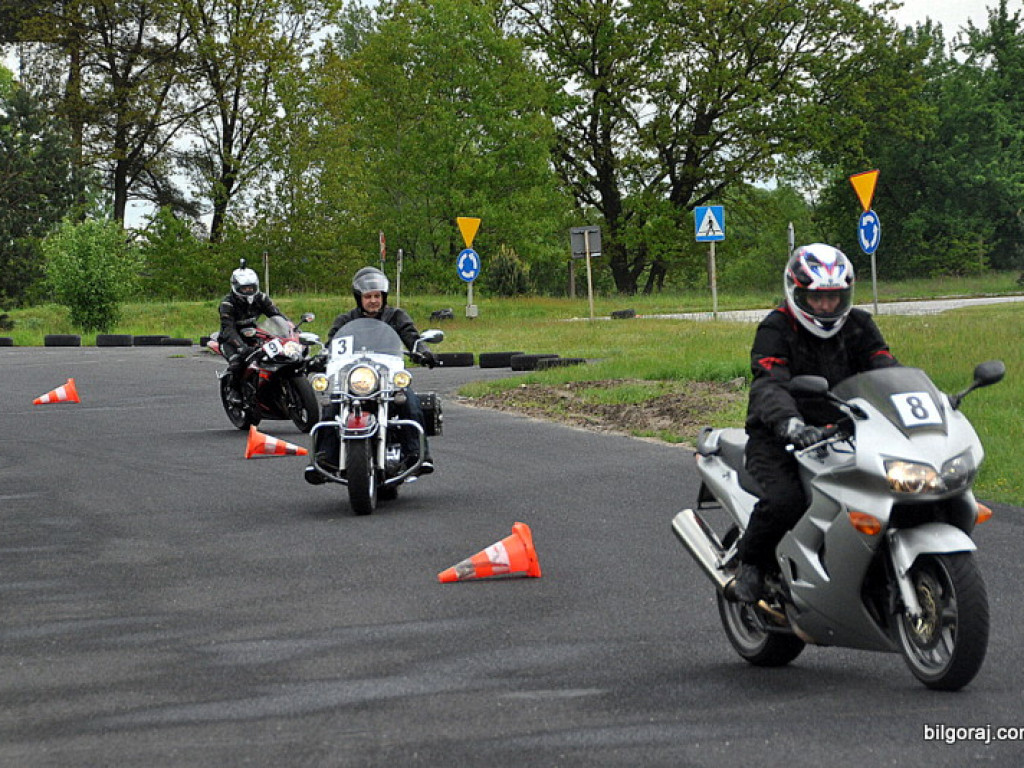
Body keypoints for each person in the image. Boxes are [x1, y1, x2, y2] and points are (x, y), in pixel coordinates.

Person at [730, 243, 898, 603]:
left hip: (846, 431)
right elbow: (768, 382)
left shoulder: (859, 325)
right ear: (796, 292)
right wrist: (789, 423)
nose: (826, 306)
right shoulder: (776, 327)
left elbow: (883, 364)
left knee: (886, 491)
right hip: (781, 437)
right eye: (817, 298)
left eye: (835, 297)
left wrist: (916, 400)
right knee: (785, 500)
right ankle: (751, 564)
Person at [307, 267, 436, 483]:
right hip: (355, 380)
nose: (373, 301)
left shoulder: (396, 316)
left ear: (384, 297)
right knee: (332, 405)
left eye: (377, 296)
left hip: (387, 380)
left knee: (410, 403)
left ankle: (418, 455)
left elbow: (411, 337)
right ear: (359, 298)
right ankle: (325, 457)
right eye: (368, 296)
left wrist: (423, 352)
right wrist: (320, 357)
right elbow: (331, 345)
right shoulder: (346, 320)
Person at [218, 261, 287, 403]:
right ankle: (234, 391)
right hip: (230, 339)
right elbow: (228, 328)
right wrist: (240, 347)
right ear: (236, 287)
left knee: (279, 354)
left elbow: (276, 315)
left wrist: (290, 330)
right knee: (237, 362)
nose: (248, 290)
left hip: (254, 333)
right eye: (244, 288)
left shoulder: (261, 298)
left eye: (251, 287)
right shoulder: (227, 304)